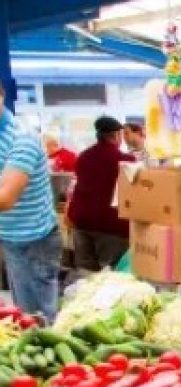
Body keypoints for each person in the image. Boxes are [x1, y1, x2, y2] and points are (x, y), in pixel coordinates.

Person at [0, 86, 61, 321]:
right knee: (22, 315)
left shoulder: (22, 137)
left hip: (35, 242)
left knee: (38, 320)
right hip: (11, 237)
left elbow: (5, 198)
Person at [67, 116, 135, 272]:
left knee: (85, 273)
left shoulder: (83, 156)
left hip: (81, 221)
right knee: (112, 273)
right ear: (117, 135)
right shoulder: (125, 160)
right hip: (111, 225)